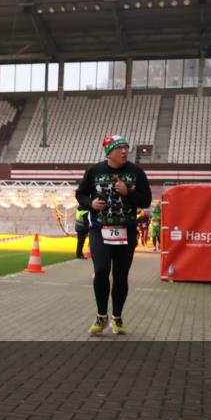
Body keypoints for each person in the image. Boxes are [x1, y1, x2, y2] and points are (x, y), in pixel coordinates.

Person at [75, 135, 151, 336]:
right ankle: (101, 316)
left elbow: (146, 200)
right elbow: (80, 194)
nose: (125, 151)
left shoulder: (136, 172)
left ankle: (117, 317)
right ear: (109, 153)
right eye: (120, 149)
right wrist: (90, 204)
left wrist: (128, 192)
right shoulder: (94, 171)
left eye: (126, 148)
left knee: (120, 275)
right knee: (101, 270)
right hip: (100, 229)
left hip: (126, 229)